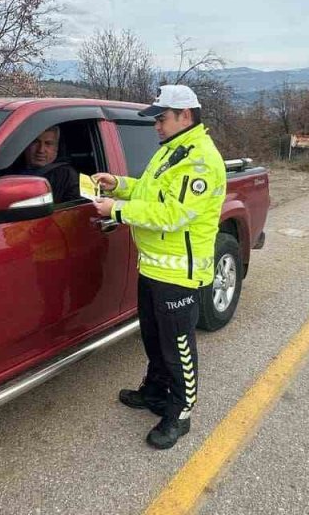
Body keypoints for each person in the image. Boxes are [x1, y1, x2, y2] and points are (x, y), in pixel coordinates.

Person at [93, 84, 227, 450]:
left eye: (161, 119)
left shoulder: (200, 160)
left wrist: (115, 211)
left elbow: (172, 215)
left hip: (179, 273)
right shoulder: (172, 151)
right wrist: (118, 185)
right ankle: (154, 392)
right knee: (153, 338)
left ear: (185, 115)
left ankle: (180, 413)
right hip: (154, 267)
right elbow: (151, 194)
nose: (156, 126)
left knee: (178, 346)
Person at [9, 125, 80, 203]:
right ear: (26, 145)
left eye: (48, 143)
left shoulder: (67, 175)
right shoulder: (8, 167)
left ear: (56, 147)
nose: (41, 150)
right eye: (35, 142)